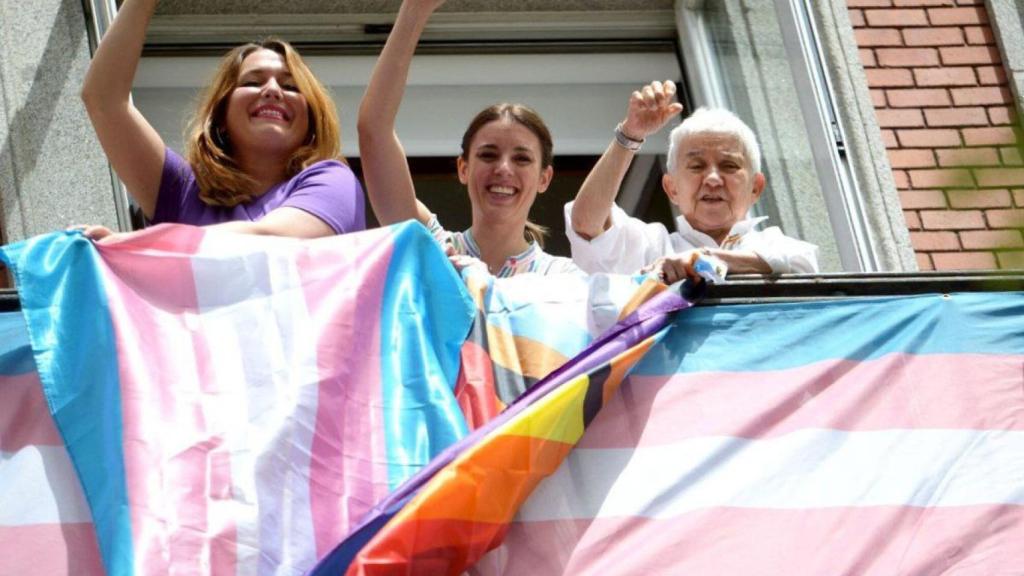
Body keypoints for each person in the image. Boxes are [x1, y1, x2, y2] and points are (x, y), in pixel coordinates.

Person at [79, 0, 364, 241]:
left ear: (311, 123)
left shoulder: (334, 181)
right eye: (253, 82)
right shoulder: (183, 192)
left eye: (290, 87)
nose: (273, 91)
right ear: (221, 118)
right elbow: (105, 100)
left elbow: (270, 242)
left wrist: (136, 245)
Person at [357, 0, 579, 277]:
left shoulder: (562, 277)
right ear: (463, 168)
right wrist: (414, 10)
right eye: (488, 154)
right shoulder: (433, 249)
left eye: (522, 158)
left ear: (544, 178)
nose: (503, 169)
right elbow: (374, 130)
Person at [566, 81, 819, 283]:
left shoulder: (774, 244)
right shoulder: (652, 247)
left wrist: (702, 259)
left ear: (756, 187)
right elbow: (586, 222)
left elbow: (804, 265)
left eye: (729, 166)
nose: (712, 179)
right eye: (697, 166)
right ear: (671, 188)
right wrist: (630, 135)